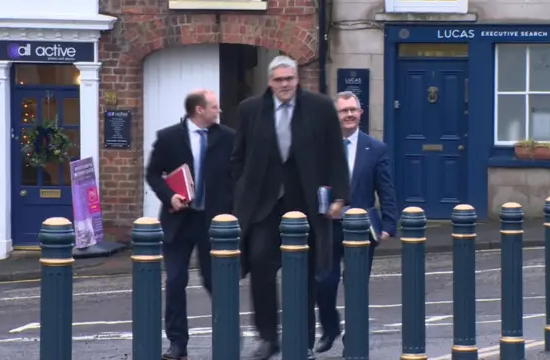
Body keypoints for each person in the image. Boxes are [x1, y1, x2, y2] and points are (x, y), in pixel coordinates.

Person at [231, 55, 350, 360]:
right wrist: (241, 191)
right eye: (278, 80)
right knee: (260, 265)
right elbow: (238, 157)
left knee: (306, 274)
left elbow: (336, 153)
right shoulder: (250, 109)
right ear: (269, 82)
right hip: (264, 206)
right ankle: (268, 337)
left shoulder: (321, 107)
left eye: (289, 79)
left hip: (306, 204)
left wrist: (339, 196)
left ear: (297, 80)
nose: (284, 85)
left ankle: (304, 340)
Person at [145, 89, 235, 360]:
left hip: (213, 222)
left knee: (217, 282)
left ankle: (228, 337)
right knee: (175, 281)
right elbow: (152, 174)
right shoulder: (168, 137)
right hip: (179, 221)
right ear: (199, 110)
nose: (219, 111)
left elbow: (238, 175)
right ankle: (177, 343)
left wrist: (233, 210)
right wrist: (168, 196)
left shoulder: (229, 137)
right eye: (214, 107)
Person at [314, 91, 398, 354]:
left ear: (361, 113)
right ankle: (330, 329)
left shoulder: (376, 148)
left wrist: (389, 223)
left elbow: (386, 188)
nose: (349, 114)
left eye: (353, 110)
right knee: (324, 283)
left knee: (356, 285)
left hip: (361, 228)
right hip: (329, 227)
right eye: (344, 110)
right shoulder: (322, 148)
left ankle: (354, 337)